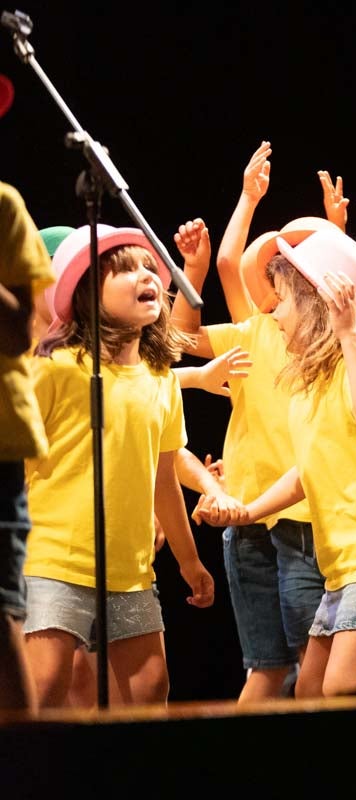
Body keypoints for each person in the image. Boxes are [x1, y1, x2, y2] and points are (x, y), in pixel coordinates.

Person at [202, 226, 356, 698]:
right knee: (312, 692)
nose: (273, 312)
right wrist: (248, 511)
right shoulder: (308, 384)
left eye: (282, 300)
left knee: (340, 689)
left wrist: (348, 332)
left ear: (317, 303)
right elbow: (305, 471)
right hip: (343, 566)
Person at [23, 223, 216, 708]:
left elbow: (164, 481)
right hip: (53, 562)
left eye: (149, 267)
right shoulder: (57, 368)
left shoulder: (161, 381)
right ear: (87, 293)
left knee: (150, 690)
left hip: (131, 571)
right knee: (42, 690)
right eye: (125, 270)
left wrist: (189, 560)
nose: (146, 276)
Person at [170, 143, 335, 702]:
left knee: (318, 660)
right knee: (266, 669)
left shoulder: (338, 347)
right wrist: (246, 199)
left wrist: (335, 231)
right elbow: (182, 334)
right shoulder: (258, 330)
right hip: (243, 515)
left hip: (306, 518)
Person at [0, 181, 52, 713]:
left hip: (0, 444)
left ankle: (24, 759)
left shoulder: (4, 204)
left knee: (0, 614)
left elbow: (18, 330)